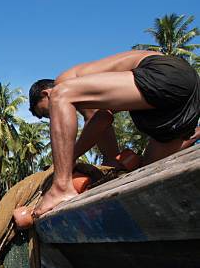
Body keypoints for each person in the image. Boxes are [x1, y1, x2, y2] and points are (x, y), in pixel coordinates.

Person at [29, 50, 200, 217]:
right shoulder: (105, 96)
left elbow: (101, 119)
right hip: (186, 100)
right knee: (147, 168)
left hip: (166, 72)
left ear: (46, 93)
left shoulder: (63, 80)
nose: (53, 116)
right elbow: (102, 119)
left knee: (62, 95)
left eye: (47, 112)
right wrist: (111, 163)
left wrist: (68, 159)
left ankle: (61, 188)